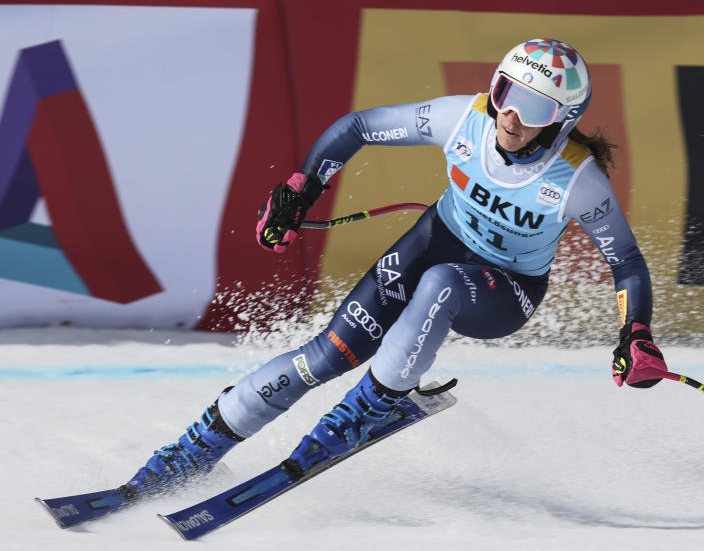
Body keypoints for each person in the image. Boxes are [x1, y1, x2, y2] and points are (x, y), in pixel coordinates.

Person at [123, 38, 668, 496]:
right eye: (506, 93)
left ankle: (374, 404)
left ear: (563, 120)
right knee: (325, 355)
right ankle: (192, 451)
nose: (511, 116)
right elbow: (357, 128)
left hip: (507, 289)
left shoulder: (578, 179)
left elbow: (626, 263)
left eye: (535, 108)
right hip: (436, 241)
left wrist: (634, 333)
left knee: (441, 285)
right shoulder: (463, 118)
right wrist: (302, 189)